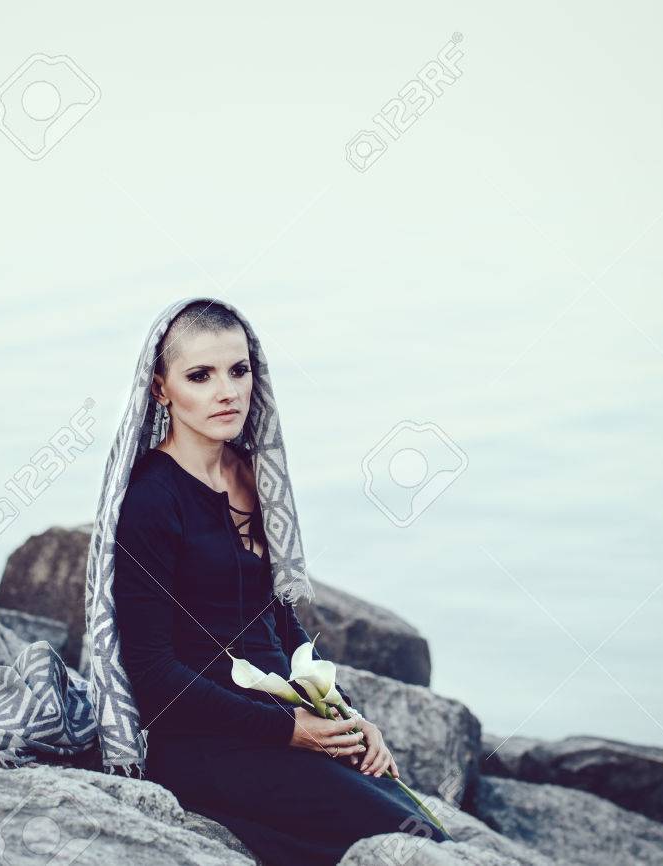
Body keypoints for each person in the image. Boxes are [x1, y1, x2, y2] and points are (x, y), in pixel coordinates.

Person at [110, 299, 451, 866]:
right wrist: (288, 730)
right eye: (201, 375)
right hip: (203, 736)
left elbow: (278, 619)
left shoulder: (253, 471)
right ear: (161, 388)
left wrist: (346, 714)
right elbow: (151, 673)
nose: (228, 391)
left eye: (238, 370)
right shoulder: (151, 500)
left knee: (424, 829)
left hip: (280, 712)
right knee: (400, 844)